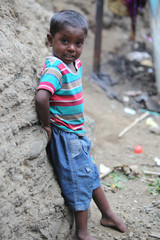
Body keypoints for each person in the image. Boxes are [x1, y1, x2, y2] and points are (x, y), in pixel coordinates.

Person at [35, 10, 127, 240]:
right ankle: (82, 233)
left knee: (91, 173)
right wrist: (47, 126)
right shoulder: (56, 67)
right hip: (65, 136)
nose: (71, 48)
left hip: (77, 133)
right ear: (50, 40)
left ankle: (107, 214)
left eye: (78, 43)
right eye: (64, 41)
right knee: (78, 181)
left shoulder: (75, 64)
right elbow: (41, 97)